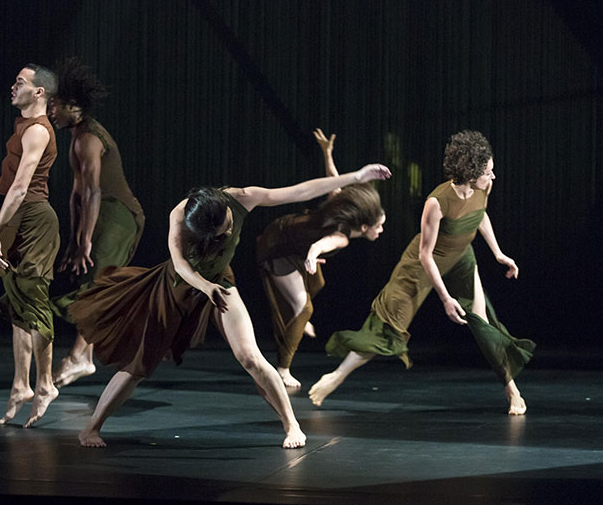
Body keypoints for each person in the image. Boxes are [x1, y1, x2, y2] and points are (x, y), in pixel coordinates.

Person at [62, 164, 392, 448]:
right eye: (220, 234)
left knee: (250, 356)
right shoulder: (180, 214)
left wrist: (356, 176)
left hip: (220, 281)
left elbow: (299, 191)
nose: (229, 233)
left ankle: (292, 425)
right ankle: (91, 427)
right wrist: (204, 287)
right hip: (177, 286)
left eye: (228, 227)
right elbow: (180, 265)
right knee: (138, 366)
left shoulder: (242, 196)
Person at [309, 130, 535, 415]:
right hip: (422, 264)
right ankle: (336, 376)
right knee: (388, 325)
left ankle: (512, 390)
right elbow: (425, 255)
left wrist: (498, 253)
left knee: (483, 323)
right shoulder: (437, 202)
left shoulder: (482, 188)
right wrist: (445, 299)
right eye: (488, 171)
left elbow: (480, 215)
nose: (493, 176)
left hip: (462, 256)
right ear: (471, 171)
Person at [256, 129, 386, 389]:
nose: (381, 231)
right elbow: (323, 243)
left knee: (317, 284)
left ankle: (298, 320)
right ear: (363, 227)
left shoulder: (341, 206)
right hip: (278, 247)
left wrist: (327, 153)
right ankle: (282, 369)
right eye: (378, 226)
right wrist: (312, 254)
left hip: (288, 237)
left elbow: (332, 179)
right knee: (304, 307)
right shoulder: (343, 236)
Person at [48, 57, 145, 388]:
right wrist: (76, 240)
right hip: (104, 211)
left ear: (73, 107)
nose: (50, 112)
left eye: (55, 106)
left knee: (98, 282)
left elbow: (92, 193)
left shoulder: (88, 138)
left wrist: (86, 240)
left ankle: (79, 357)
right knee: (91, 280)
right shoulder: (77, 137)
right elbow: (76, 197)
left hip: (120, 214)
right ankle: (82, 356)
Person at [0, 65, 60, 428]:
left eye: (20, 83)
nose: (13, 87)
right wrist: (1, 228)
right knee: (18, 305)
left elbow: (19, 186)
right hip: (15, 219)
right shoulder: (24, 127)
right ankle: (20, 384)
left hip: (33, 220)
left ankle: (45, 385)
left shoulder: (38, 132)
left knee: (33, 298)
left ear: (40, 92)